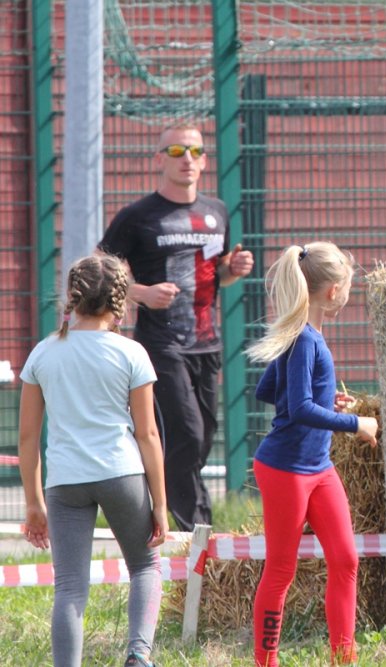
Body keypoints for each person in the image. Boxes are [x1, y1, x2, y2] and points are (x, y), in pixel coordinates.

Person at [98, 123, 254, 531]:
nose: (186, 159)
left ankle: (170, 514)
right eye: (175, 151)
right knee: (186, 432)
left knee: (202, 437)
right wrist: (141, 293)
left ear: (204, 161)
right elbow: (99, 274)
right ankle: (195, 531)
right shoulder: (137, 216)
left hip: (207, 343)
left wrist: (233, 269)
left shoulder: (217, 212)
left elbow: (217, 274)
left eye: (195, 151)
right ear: (158, 159)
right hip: (161, 344)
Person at [18, 254, 168, 667]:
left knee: (69, 586)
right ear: (120, 302)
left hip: (64, 482)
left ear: (72, 296)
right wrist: (160, 503)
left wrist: (33, 503)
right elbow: (147, 434)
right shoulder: (131, 353)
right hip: (122, 473)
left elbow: (28, 438)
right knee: (145, 566)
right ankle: (138, 654)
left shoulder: (42, 354)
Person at [246, 242, 379, 666]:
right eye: (348, 288)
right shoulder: (304, 339)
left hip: (318, 468)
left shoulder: (303, 335)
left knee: (345, 559)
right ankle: (266, 661)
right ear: (333, 291)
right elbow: (300, 409)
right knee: (281, 570)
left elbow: (269, 390)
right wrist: (356, 423)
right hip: (285, 468)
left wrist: (326, 401)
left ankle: (344, 657)